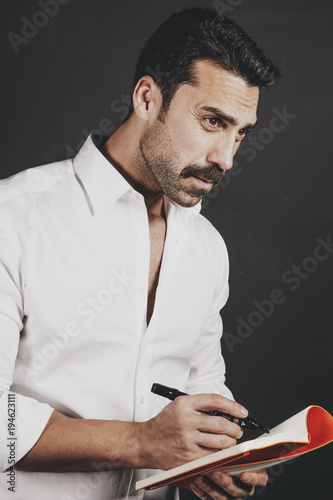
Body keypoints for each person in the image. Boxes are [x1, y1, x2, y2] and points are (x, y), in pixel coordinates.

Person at [0, 7, 281, 500]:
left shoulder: (207, 248)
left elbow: (203, 386)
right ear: (148, 98)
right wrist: (143, 442)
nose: (227, 157)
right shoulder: (14, 218)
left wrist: (222, 455)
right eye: (213, 121)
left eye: (241, 132)